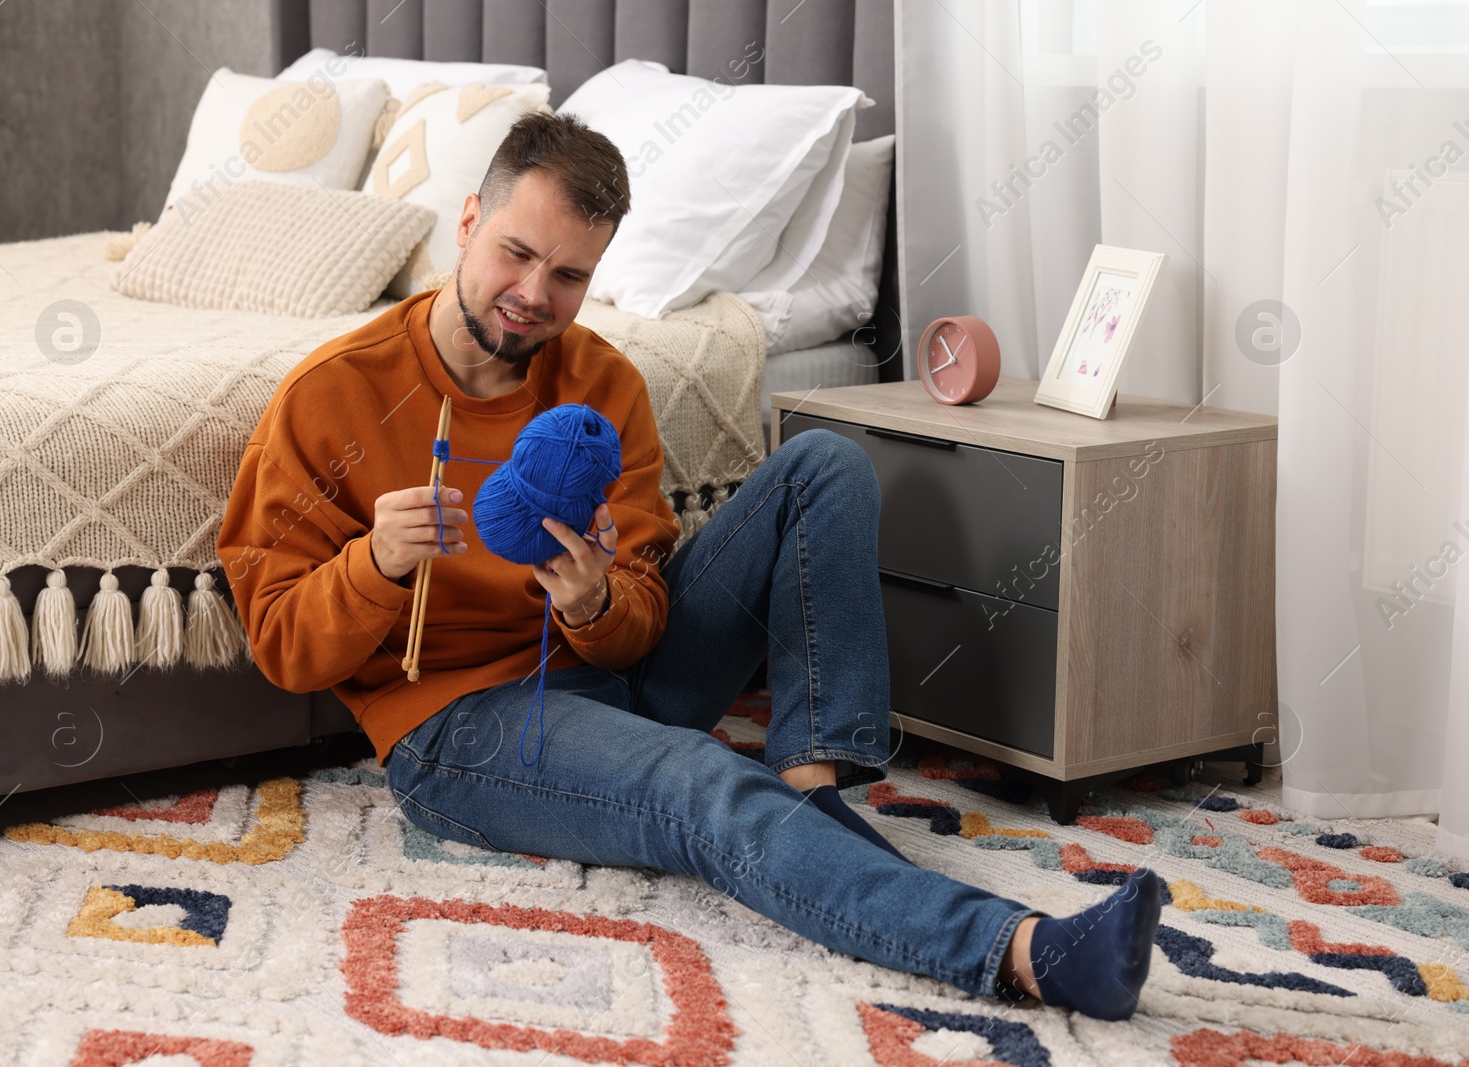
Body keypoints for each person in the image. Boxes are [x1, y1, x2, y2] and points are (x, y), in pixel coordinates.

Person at [218, 112, 1163, 1020]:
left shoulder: (600, 384)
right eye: (515, 252)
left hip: (614, 675)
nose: (535, 294)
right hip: (459, 726)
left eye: (570, 274)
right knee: (698, 781)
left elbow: (645, 619)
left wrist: (594, 605)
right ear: (468, 220)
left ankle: (814, 788)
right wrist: (375, 564)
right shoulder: (330, 397)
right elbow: (282, 648)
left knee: (823, 465)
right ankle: (1027, 952)